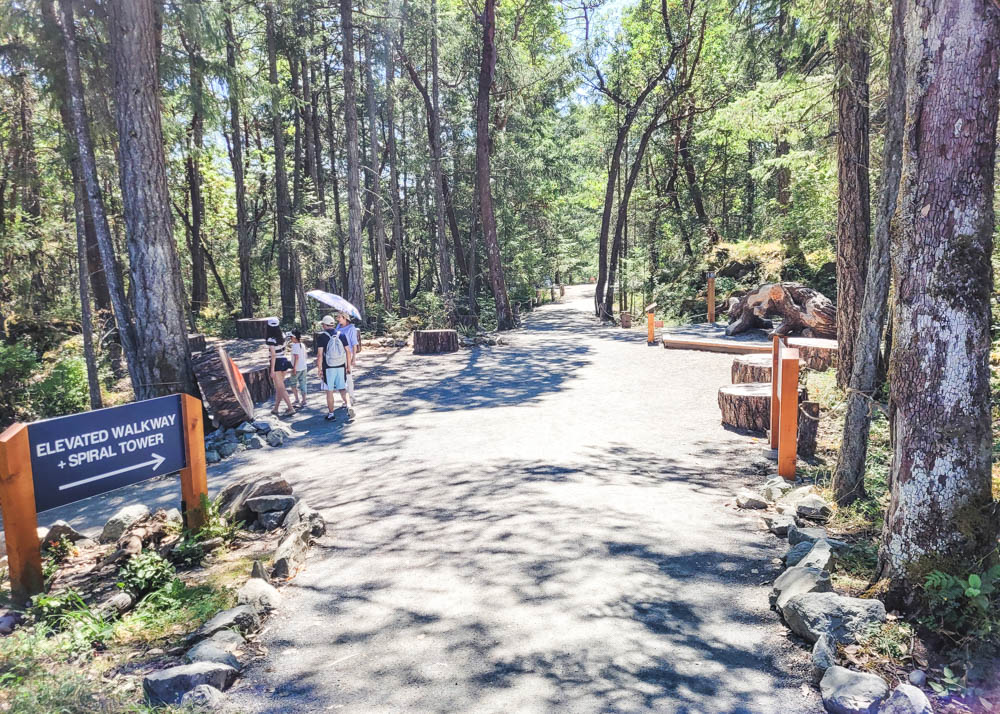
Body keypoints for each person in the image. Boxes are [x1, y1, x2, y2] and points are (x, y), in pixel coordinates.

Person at [316, 314, 355, 422]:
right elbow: (348, 351)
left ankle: (331, 414)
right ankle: (349, 406)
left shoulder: (322, 337)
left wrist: (319, 369)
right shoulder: (341, 334)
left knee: (329, 391)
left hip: (328, 367)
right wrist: (348, 366)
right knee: (343, 388)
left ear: (324, 325)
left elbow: (320, 355)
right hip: (341, 366)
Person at [265, 319, 295, 416]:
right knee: (279, 387)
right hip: (284, 361)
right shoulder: (283, 336)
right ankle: (276, 408)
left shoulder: (270, 339)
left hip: (277, 363)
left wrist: (272, 369)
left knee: (281, 388)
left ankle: (290, 408)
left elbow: (273, 355)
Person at [334, 312, 359, 400]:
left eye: (339, 317)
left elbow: (354, 343)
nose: (338, 319)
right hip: (338, 354)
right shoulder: (338, 327)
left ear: (344, 317)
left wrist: (353, 358)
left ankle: (351, 396)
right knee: (340, 376)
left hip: (347, 353)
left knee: (348, 375)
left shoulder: (351, 328)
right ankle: (345, 398)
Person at [288, 329, 308, 407]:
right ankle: (304, 400)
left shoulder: (294, 346)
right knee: (303, 383)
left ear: (294, 337)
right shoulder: (302, 345)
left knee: (293, 383)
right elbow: (305, 355)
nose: (290, 338)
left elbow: (296, 357)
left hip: (297, 368)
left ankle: (297, 399)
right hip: (303, 367)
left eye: (291, 337)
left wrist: (294, 368)